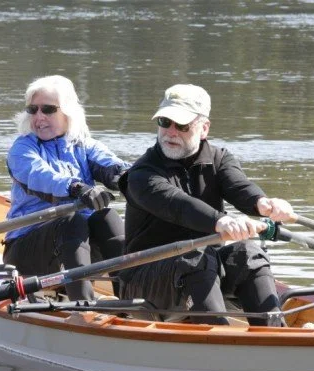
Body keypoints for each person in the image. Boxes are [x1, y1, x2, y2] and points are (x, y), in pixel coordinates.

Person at [118, 84, 295, 325]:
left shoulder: (219, 158)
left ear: (204, 128)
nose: (170, 132)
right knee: (196, 257)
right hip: (143, 277)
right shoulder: (142, 175)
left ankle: (276, 334)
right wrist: (221, 221)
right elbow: (179, 206)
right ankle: (218, 339)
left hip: (200, 268)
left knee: (249, 252)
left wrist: (264, 204)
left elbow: (239, 186)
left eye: (181, 126)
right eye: (164, 122)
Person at [3, 75, 130, 300]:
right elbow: (40, 176)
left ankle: (130, 301)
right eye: (33, 109)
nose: (39, 117)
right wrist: (76, 187)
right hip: (27, 250)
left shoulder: (83, 146)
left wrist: (131, 179)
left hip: (79, 248)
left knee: (107, 217)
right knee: (73, 221)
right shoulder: (21, 149)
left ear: (68, 112)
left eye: (48, 109)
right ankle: (83, 307)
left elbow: (113, 166)